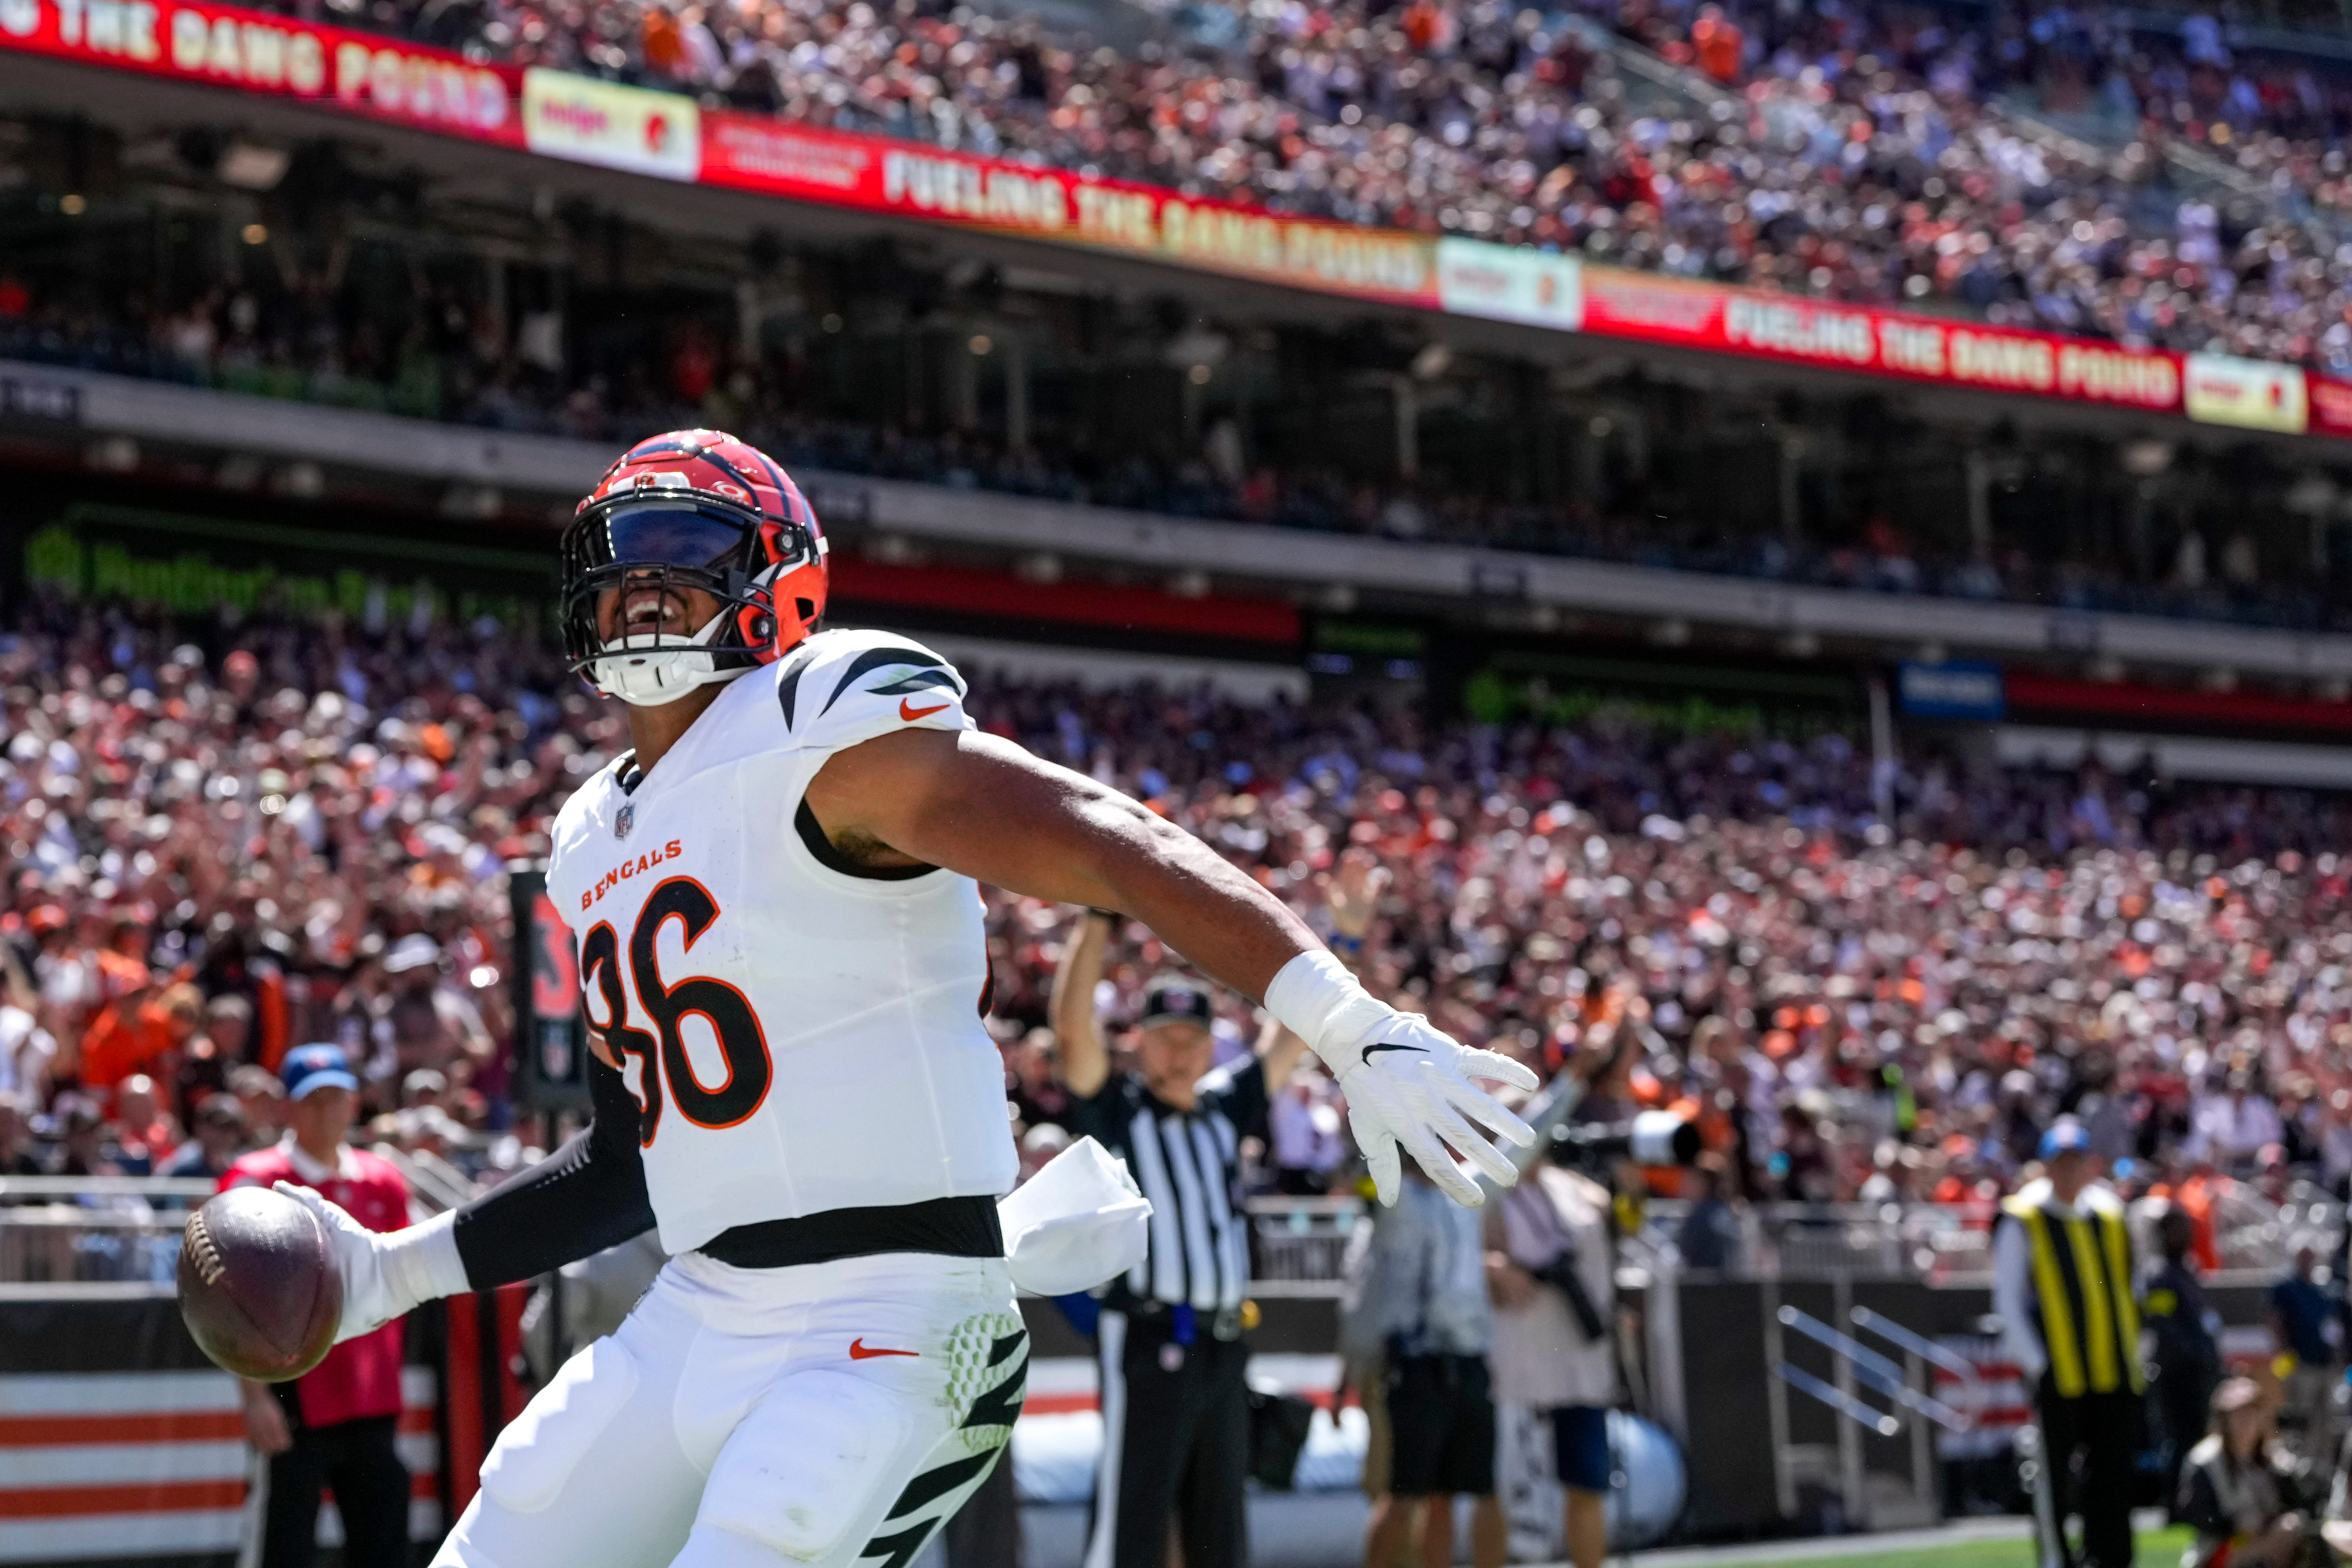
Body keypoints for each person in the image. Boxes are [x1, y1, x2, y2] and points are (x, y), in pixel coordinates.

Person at [279, 429, 1537, 1568]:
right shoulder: (589, 836)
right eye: (619, 561)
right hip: (698, 1307)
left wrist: (1340, 1017)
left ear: (785, 586)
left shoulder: (819, 722)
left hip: (893, 1314)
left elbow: (1100, 835)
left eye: (686, 554)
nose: (643, 588)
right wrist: (393, 1275)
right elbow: (629, 1163)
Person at [1051, 915, 1312, 1568]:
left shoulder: (1223, 1108)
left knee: (1218, 1526)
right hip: (1147, 1336)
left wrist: (1340, 944)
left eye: (1191, 1038)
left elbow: (1291, 1039)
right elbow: (1072, 1035)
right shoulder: (1120, 1109)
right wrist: (1094, 924)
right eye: (1163, 1038)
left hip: (1222, 1344)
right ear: (1138, 1042)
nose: (1178, 1052)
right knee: (1130, 1521)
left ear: (1209, 1046)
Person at [222, 1045, 415, 1568]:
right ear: (288, 1107)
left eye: (337, 1098)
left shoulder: (384, 1179)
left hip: (372, 1394)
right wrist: (255, 1396)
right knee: (283, 1545)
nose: (327, 1111)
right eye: (314, 1100)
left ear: (355, 1103)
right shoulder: (255, 1178)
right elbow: (226, 1295)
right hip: (292, 1395)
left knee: (382, 1545)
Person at [1994, 1117, 2143, 1568]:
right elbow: (2007, 1299)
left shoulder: (2109, 1214)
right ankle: (2056, 1560)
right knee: (2054, 1478)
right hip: (2058, 1371)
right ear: (2044, 1166)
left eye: (2075, 1161)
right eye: (2059, 1162)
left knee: (2112, 1477)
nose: (2068, 1171)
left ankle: (2111, 1558)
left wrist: (2133, 1349)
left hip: (2112, 1370)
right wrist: (2038, 1364)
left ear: (2089, 1165)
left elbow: (2129, 1285)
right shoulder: (2024, 1216)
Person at [1346, 1162, 1505, 1568]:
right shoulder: (1393, 1203)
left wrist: (1567, 1094)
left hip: (1467, 1362)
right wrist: (1349, 1372)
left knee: (1465, 1493)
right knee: (1400, 1495)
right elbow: (1358, 1306)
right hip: (1411, 1367)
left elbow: (1519, 1142)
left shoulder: (1466, 1194)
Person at [1486, 1135, 1622, 1568]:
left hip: (1578, 1364)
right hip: (1511, 1368)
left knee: (1586, 1485)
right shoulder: (1481, 1188)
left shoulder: (1575, 1188)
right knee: (1497, 1490)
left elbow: (1623, 1219)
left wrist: (1627, 1185)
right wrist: (1488, 1268)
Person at [2179, 1377, 2324, 1568]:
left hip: (2270, 1539)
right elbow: (2199, 1516)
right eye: (2238, 1415)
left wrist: (2286, 1522)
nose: (2246, 1421)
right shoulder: (2204, 1461)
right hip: (2227, 1546)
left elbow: (2304, 1502)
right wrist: (2240, 1528)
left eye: (2252, 1413)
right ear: (2224, 1420)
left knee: (2310, 1537)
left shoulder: (2273, 1458)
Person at [2144, 1201, 2222, 1516]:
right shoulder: (2159, 1273)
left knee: (2197, 1435)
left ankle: (2195, 1502)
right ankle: (2175, 1505)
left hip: (2196, 1370)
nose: (2186, 1234)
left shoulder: (2187, 1271)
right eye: (2179, 1228)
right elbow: (2161, 1324)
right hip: (2175, 1372)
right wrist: (2194, 1350)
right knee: (2177, 1438)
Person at [2271, 1247, 2342, 1448]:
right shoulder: (2286, 1288)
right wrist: (2284, 1353)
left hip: (2324, 1364)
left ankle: (2319, 1465)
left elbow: (2331, 1326)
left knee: (2325, 1417)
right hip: (2299, 1363)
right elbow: (2275, 1321)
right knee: (2298, 1413)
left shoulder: (2323, 1290)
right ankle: (2294, 1457)